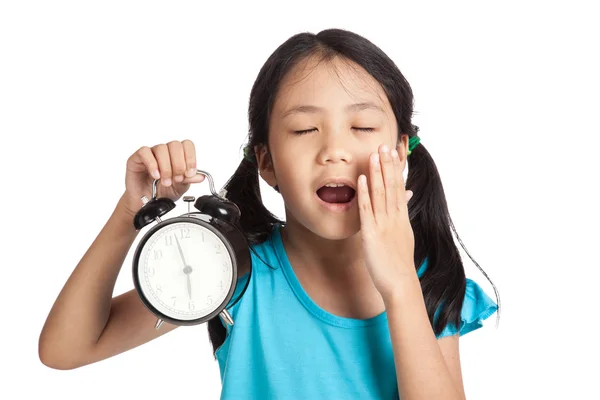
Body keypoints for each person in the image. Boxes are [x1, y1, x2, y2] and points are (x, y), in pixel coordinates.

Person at [39, 28, 500, 399]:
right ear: (266, 162)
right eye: (304, 129)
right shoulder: (233, 271)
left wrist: (400, 285)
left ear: (401, 152)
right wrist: (130, 211)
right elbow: (66, 348)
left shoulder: (427, 283)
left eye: (361, 126)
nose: (334, 150)